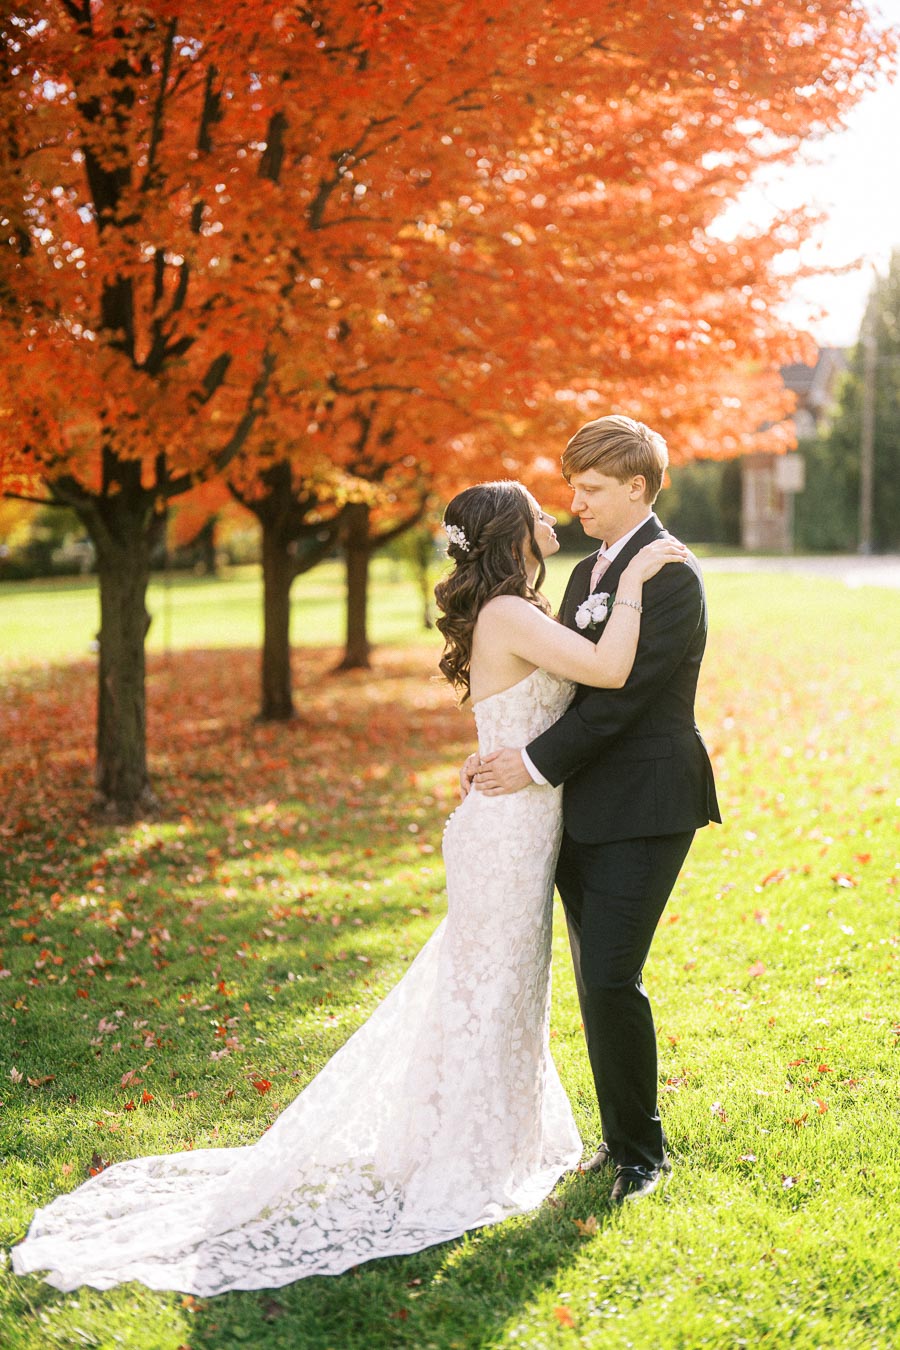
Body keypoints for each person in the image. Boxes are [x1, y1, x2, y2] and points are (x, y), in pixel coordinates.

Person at [11, 480, 685, 1295]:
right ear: (512, 534)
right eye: (539, 511)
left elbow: (522, 713)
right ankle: (460, 1155)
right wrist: (640, 578)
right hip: (507, 832)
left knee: (497, 989)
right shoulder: (511, 615)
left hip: (512, 820)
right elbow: (610, 667)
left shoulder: (510, 611)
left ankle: (477, 1137)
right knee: (490, 987)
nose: (553, 518)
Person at [468, 415, 721, 1206]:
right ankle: (617, 1138)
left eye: (592, 489)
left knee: (612, 975)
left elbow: (622, 702)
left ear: (637, 487)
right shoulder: (587, 574)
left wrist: (532, 763)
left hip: (647, 800)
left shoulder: (670, 574)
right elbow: (567, 683)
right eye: (573, 487)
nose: (575, 502)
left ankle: (643, 1157)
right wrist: (499, 744)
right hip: (578, 807)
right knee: (593, 978)